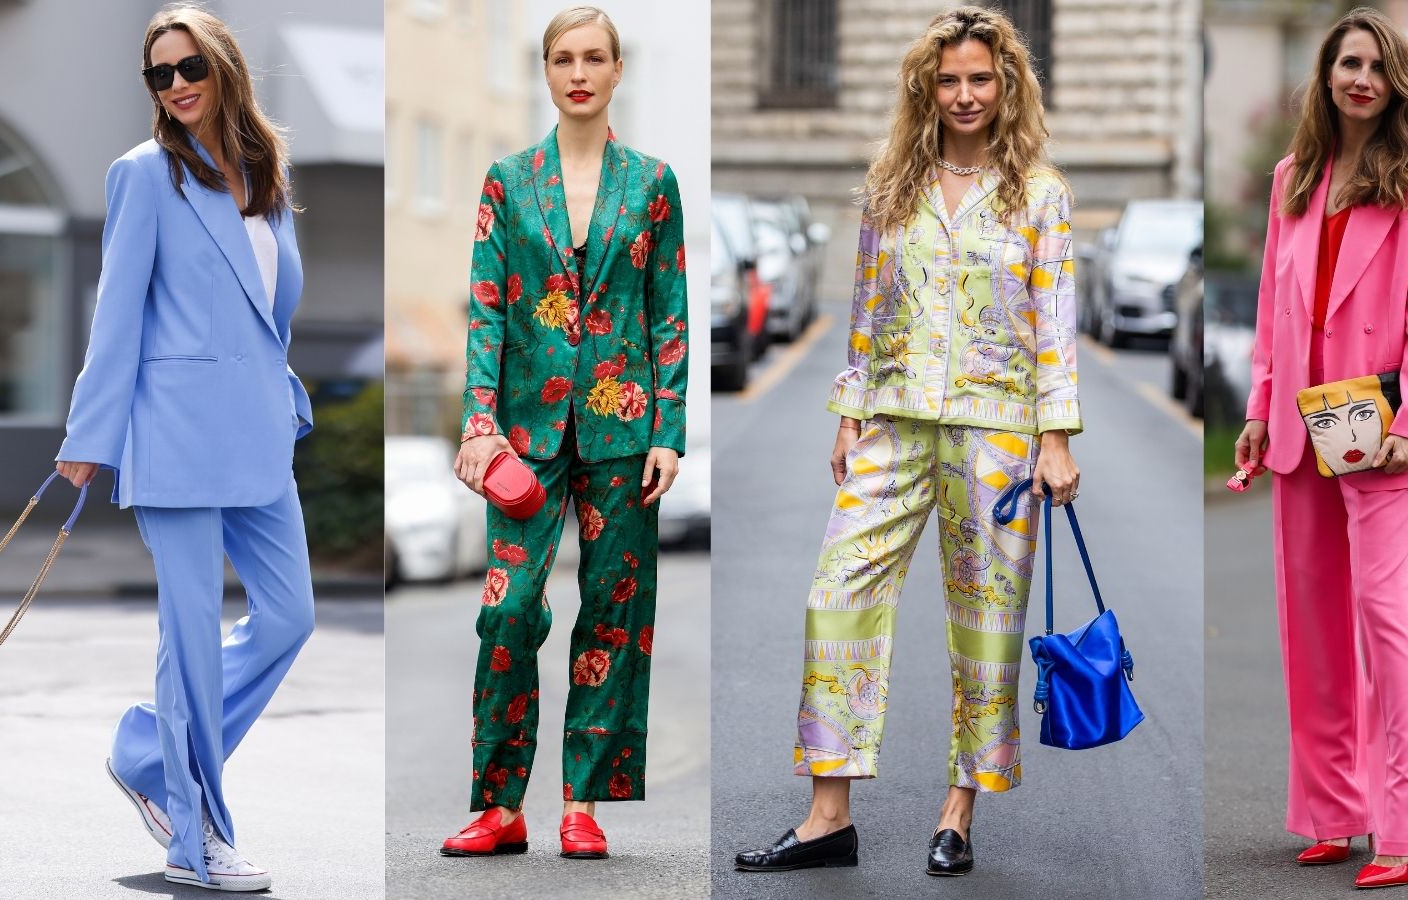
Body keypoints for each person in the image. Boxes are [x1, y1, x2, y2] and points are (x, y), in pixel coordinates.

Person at [734, 5, 1080, 877]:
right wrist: (849, 413)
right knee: (837, 592)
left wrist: (1057, 436)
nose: (964, 95)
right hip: (893, 419)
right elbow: (864, 311)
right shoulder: (893, 184)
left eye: (981, 79)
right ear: (927, 85)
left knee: (987, 624)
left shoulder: (1039, 192)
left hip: (999, 434)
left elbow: (1055, 326)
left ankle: (959, 811)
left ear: (1008, 86)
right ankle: (828, 816)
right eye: (950, 78)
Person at [55, 3, 315, 892]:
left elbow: (267, 314)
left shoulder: (263, 168)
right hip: (170, 435)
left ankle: (148, 754)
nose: (175, 87)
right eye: (159, 75)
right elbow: (114, 314)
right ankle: (195, 841)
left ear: (223, 68)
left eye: (188, 68)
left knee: (290, 616)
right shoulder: (142, 176)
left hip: (257, 437)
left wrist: (287, 400)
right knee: (191, 641)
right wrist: (91, 436)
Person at [442, 4, 688, 862]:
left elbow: (669, 312)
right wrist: (478, 422)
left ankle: (582, 802)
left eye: (594, 58)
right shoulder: (509, 182)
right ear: (544, 72)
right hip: (523, 434)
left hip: (625, 432)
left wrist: (672, 428)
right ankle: (498, 804)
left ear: (619, 70)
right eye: (562, 59)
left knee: (614, 616)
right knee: (507, 610)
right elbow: (484, 313)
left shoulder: (652, 183)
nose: (578, 72)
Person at [1233, 6, 1408, 890]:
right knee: (1315, 636)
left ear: (1396, 78)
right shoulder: (1295, 177)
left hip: (1384, 433)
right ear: (1326, 76)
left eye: (1375, 64)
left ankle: (1404, 827)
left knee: (1389, 629)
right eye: (1346, 62)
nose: (1359, 77)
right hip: (1301, 428)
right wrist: (1256, 410)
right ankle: (1336, 813)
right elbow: (1269, 313)